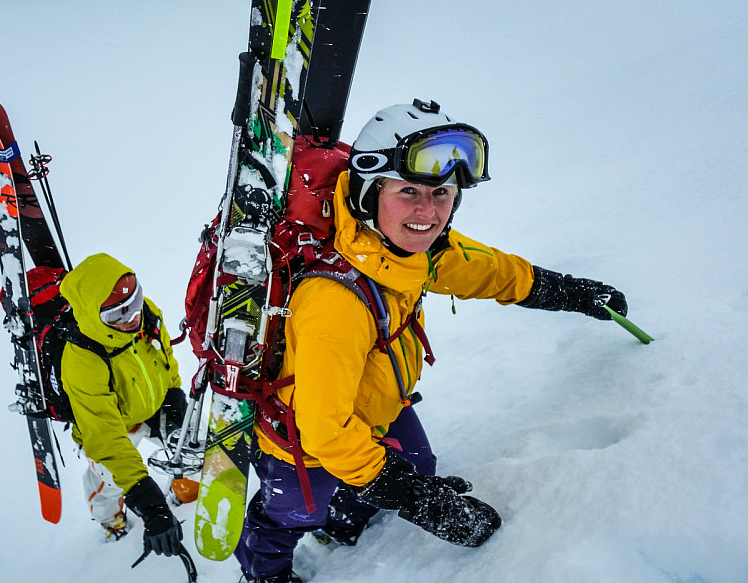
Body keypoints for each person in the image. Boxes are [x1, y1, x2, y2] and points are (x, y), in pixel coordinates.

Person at [233, 99, 628, 582]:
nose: (428, 211)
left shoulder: (407, 248)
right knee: (292, 514)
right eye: (408, 192)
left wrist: (565, 291)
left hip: (378, 398)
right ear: (366, 192)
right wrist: (415, 499)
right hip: (302, 436)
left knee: (417, 463)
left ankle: (343, 522)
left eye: (442, 192)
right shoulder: (333, 303)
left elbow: (485, 269)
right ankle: (263, 572)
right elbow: (327, 430)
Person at [58, 253, 190, 556]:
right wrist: (149, 504)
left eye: (134, 303)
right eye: (117, 315)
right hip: (110, 428)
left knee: (191, 448)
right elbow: (106, 439)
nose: (132, 317)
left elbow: (165, 360)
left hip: (152, 406)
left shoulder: (146, 314)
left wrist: (173, 399)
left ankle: (185, 493)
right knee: (111, 482)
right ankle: (111, 521)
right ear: (95, 316)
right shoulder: (82, 360)